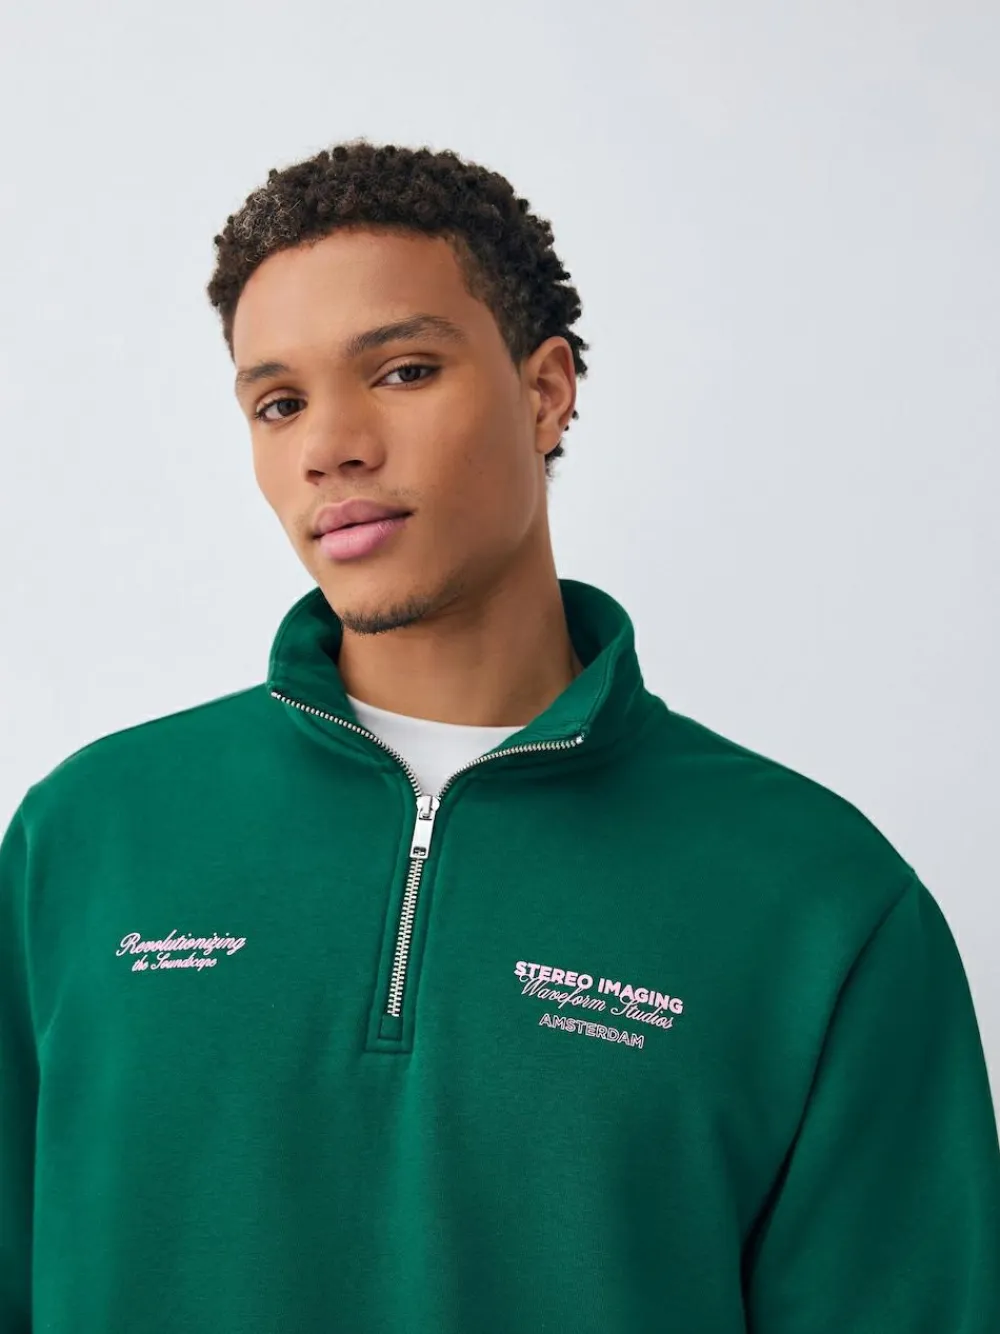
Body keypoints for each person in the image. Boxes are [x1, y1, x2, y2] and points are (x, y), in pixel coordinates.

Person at [1, 137, 997, 1334]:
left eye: (404, 370)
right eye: (279, 402)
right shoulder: (88, 839)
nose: (330, 445)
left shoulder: (816, 898)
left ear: (545, 391)